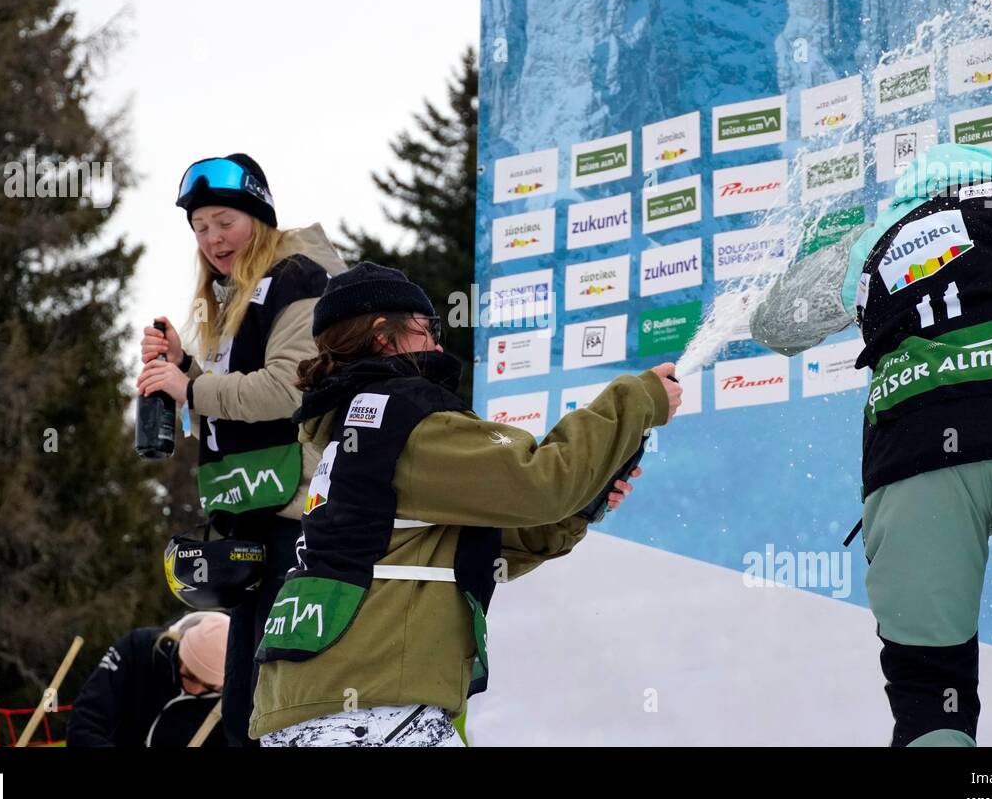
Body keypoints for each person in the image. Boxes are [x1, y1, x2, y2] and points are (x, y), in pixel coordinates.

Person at [751, 143, 992, 746]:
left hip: (911, 462)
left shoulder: (877, 236)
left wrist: (844, 254)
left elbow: (777, 326)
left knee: (931, 694)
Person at [247, 262, 682, 746]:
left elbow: (468, 554)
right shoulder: (401, 414)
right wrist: (636, 398)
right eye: (426, 328)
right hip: (374, 712)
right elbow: (541, 483)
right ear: (382, 334)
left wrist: (579, 508)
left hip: (313, 710)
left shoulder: (351, 430)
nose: (437, 342)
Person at [136, 152, 345, 746]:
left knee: (282, 707)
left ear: (259, 214)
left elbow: (288, 387)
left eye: (224, 220)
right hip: (248, 517)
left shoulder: (301, 278)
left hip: (297, 515)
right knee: (243, 713)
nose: (212, 238)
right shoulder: (228, 300)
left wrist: (192, 385)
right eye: (200, 228)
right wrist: (184, 366)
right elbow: (227, 422)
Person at [67, 612, 230, 747]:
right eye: (190, 676)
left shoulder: (234, 703)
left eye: (210, 686)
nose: (196, 690)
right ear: (180, 650)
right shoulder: (139, 649)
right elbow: (85, 723)